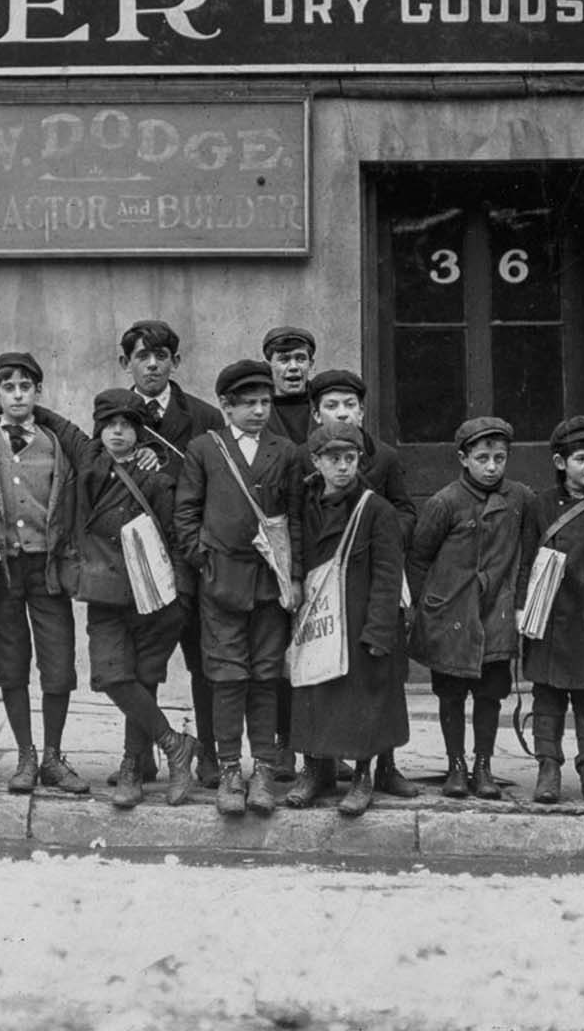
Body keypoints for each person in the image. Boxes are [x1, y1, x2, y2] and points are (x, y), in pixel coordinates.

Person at [36, 388, 199, 808]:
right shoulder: (88, 460)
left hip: (153, 598)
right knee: (111, 675)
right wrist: (10, 409)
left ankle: (132, 764)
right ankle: (175, 743)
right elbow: (60, 424)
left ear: (140, 434)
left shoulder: (158, 479)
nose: (119, 433)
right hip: (103, 593)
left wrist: (179, 593)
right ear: (100, 430)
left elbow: (179, 539)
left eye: (128, 426)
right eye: (110, 426)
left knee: (143, 677)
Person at [174, 360, 304, 816]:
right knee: (227, 677)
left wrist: (294, 575)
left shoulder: (285, 451)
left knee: (266, 676)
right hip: (221, 582)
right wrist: (203, 559)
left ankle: (263, 770)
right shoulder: (206, 450)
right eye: (248, 403)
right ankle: (231, 768)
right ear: (226, 406)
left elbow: (296, 517)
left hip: (270, 584)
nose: (259, 411)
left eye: (265, 402)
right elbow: (186, 513)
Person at [0, 351, 88, 795]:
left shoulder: (57, 443)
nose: (18, 394)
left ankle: (52, 756)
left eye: (26, 387)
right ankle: (26, 756)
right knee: (11, 665)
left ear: (38, 392)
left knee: (57, 664)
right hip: (3, 572)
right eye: (8, 388)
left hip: (48, 568)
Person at [295, 368, 420, 799]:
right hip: (321, 601)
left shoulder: (381, 462)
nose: (342, 412)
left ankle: (375, 771)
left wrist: (375, 536)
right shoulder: (304, 477)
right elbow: (295, 531)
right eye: (331, 405)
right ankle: (317, 771)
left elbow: (402, 515)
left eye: (350, 405)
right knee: (315, 687)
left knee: (371, 687)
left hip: (366, 586)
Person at [119, 318, 225, 788]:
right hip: (140, 556)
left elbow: (219, 485)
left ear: (175, 362)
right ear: (127, 363)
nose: (153, 364)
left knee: (204, 660)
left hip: (195, 555)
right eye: (143, 356)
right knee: (144, 662)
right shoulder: (116, 416)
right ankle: (138, 758)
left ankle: (211, 756)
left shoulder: (204, 417)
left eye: (161, 356)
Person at [407, 417, 533, 801]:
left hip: (496, 608)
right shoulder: (444, 502)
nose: (492, 466)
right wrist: (424, 609)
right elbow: (419, 559)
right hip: (451, 612)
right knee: (450, 692)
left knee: (491, 693)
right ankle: (456, 765)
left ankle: (483, 765)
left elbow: (527, 556)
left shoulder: (520, 499)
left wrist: (521, 604)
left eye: (499, 457)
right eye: (482, 458)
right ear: (463, 458)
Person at [516, 416, 584, 809]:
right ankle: (548, 768)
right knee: (547, 694)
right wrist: (524, 607)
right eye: (581, 458)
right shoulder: (540, 505)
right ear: (561, 463)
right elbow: (527, 559)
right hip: (550, 613)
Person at [261, 325, 317, 780]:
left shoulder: (329, 407)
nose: (292, 367)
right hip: (275, 546)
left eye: (300, 358)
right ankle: (283, 744)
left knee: (322, 646)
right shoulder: (260, 412)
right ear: (270, 365)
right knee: (279, 650)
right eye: (283, 360)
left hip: (323, 541)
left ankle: (322, 745)